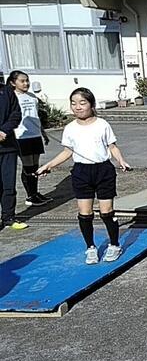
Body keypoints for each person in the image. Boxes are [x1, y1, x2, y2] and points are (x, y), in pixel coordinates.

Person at [37, 88, 131, 264]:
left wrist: (121, 161)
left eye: (82, 103)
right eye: (74, 103)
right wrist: (48, 165)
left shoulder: (102, 124)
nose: (77, 107)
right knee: (85, 213)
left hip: (103, 171)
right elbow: (67, 152)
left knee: (106, 212)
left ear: (91, 104)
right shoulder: (70, 128)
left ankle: (114, 245)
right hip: (81, 172)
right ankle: (91, 248)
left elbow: (112, 147)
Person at [6, 70, 52, 206]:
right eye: (22, 81)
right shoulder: (11, 97)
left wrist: (43, 133)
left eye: (27, 80)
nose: (26, 83)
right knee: (28, 166)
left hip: (35, 134)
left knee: (35, 165)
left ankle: (35, 193)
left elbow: (36, 116)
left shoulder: (32, 97)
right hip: (21, 135)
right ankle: (30, 196)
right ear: (13, 83)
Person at [0, 79, 26, 230]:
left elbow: (16, 114)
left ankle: (8, 217)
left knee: (8, 184)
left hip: (7, 147)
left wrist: (4, 130)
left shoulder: (6, 91)